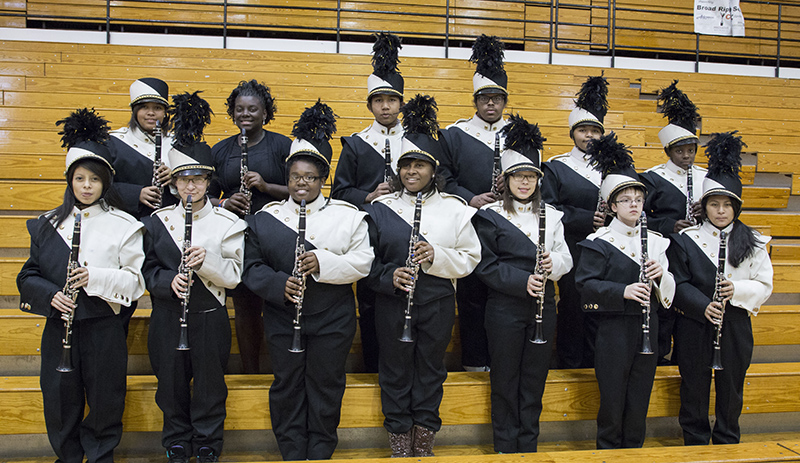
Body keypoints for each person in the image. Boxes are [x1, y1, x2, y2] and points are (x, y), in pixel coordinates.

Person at [243, 100, 374, 461]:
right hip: (283, 317)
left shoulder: (348, 216)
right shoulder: (265, 218)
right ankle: (291, 449)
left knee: (326, 386)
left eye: (310, 178)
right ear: (287, 179)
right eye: (296, 177)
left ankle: (320, 450)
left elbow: (362, 263)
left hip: (333, 317)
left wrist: (323, 262)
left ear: (322, 179)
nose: (302, 184)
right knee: (286, 385)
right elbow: (251, 268)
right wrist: (277, 285)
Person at [17, 108, 146, 463]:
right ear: (69, 181)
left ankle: (101, 456)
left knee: (106, 400)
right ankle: (68, 457)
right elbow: (28, 277)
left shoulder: (124, 225)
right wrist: (52, 297)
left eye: (94, 179)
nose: (86, 186)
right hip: (59, 324)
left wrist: (94, 278)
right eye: (79, 179)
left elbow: (135, 283)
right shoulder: (45, 225)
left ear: (105, 183)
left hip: (104, 327)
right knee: (59, 400)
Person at [364, 95, 481, 457]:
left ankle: (424, 437)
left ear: (433, 170)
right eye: (405, 166)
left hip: (437, 300)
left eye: (419, 166)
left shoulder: (455, 209)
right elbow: (364, 262)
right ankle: (399, 438)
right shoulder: (381, 209)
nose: (411, 172)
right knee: (395, 371)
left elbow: (470, 258)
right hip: (391, 301)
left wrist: (436, 256)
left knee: (431, 370)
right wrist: (389, 276)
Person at [141, 92, 246, 463]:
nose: (190, 188)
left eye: (198, 181)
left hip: (209, 317)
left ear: (208, 182)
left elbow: (233, 277)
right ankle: (176, 441)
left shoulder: (228, 222)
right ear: (173, 183)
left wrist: (206, 263)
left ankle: (207, 443)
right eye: (183, 181)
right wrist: (169, 282)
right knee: (170, 387)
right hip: (167, 316)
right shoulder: (156, 222)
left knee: (208, 387)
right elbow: (147, 271)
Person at [472, 115, 572, 453]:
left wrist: (552, 264)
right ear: (506, 180)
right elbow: (484, 265)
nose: (525, 183)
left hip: (544, 306)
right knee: (505, 379)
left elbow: (566, 259)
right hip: (504, 307)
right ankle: (504, 445)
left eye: (530, 177)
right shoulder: (489, 216)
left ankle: (528, 445)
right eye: (518, 177)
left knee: (534, 381)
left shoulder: (553, 216)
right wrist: (521, 280)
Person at [668, 131, 773, 446]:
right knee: (694, 385)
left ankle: (727, 437)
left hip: (735, 322)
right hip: (695, 323)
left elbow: (764, 283)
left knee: (731, 386)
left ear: (736, 207)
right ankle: (696, 438)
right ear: (705, 207)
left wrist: (735, 289)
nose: (721, 211)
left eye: (727, 205)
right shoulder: (687, 240)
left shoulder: (753, 241)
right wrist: (703, 306)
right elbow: (678, 281)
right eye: (714, 204)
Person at [575, 132, 675, 449]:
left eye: (638, 200)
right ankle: (607, 450)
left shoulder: (657, 241)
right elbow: (585, 286)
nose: (634, 205)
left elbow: (670, 293)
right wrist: (624, 290)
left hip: (649, 325)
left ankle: (634, 450)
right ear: (612, 206)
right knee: (613, 396)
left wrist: (662, 277)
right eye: (626, 200)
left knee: (640, 396)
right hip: (613, 328)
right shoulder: (599, 242)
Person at [331, 32, 405, 373]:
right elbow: (339, 193)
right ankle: (373, 365)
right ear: (370, 105)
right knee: (373, 303)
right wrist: (368, 196)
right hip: (371, 235)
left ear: (401, 103)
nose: (386, 106)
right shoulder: (356, 144)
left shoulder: (417, 142)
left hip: (408, 235)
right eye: (379, 100)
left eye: (392, 99)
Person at [210, 79, 291, 374]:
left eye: (253, 109)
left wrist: (266, 186)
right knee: (244, 308)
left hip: (275, 235)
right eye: (239, 109)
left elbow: (302, 190)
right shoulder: (220, 150)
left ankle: (282, 371)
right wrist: (223, 203)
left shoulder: (283, 145)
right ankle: (250, 373)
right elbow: (206, 195)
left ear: (265, 112)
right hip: (236, 235)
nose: (245, 114)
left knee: (276, 304)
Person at [437, 34, 508, 371]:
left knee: (504, 295)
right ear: (475, 100)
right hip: (470, 222)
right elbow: (443, 179)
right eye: (484, 99)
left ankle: (502, 361)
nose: (490, 105)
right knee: (471, 296)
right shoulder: (454, 134)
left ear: (504, 101)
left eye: (496, 99)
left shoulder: (520, 135)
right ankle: (474, 362)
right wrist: (471, 198)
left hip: (509, 225)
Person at [541, 75, 609, 369]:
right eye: (583, 130)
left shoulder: (616, 167)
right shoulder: (557, 167)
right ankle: (570, 362)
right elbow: (549, 208)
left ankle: (598, 362)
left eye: (595, 130)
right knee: (572, 305)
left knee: (602, 305)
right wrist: (585, 218)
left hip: (608, 248)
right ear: (573, 134)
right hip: (573, 246)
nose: (589, 136)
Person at [640, 81, 707, 365]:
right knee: (665, 303)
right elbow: (642, 217)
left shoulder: (706, 177)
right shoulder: (653, 177)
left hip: (699, 250)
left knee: (691, 303)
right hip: (667, 248)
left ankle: (687, 354)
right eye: (680, 151)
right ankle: (659, 354)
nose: (687, 157)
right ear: (668, 151)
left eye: (691, 150)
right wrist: (670, 225)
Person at [106, 77, 175, 219]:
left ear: (165, 112)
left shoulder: (178, 143)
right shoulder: (114, 141)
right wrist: (136, 193)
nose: (151, 113)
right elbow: (101, 185)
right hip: (125, 219)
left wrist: (175, 178)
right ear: (134, 111)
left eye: (157, 108)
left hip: (169, 222)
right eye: (144, 107)